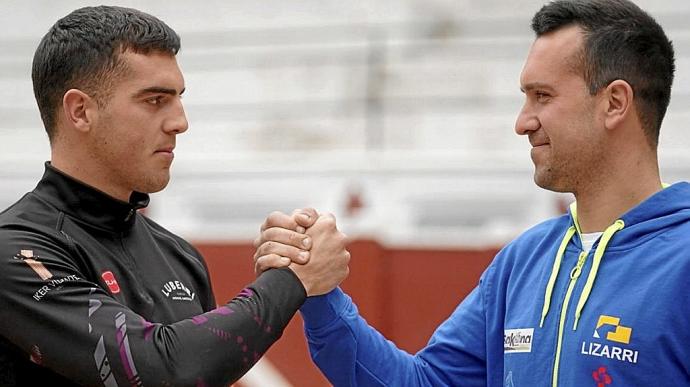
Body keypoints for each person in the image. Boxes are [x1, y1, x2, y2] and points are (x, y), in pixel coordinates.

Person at [254, 0, 690, 385]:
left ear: (614, 103)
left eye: (542, 96)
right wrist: (319, 293)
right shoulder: (523, 261)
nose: (522, 122)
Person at [0, 6, 350, 386]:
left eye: (179, 98)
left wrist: (290, 266)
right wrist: (292, 279)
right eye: (155, 100)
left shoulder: (179, 257)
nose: (180, 122)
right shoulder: (15, 248)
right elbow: (163, 371)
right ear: (81, 111)